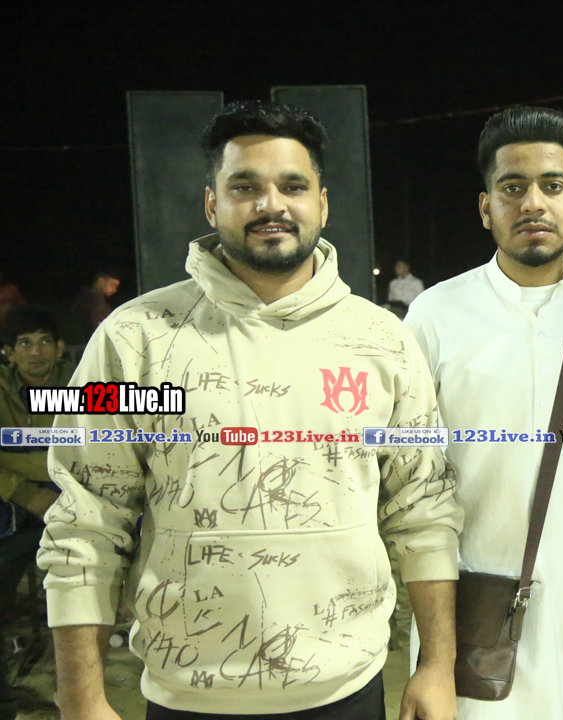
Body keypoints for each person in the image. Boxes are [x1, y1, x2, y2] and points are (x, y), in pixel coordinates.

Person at [38, 101, 463, 720]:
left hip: (346, 693)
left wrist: (437, 665)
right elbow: (85, 519)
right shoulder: (131, 341)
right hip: (186, 698)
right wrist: (80, 698)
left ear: (322, 203)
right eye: (245, 187)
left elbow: (423, 510)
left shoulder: (385, 342)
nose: (271, 204)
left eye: (293, 186)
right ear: (212, 204)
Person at [405, 106, 563, 719]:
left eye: (552, 185)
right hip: (474, 619)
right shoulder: (435, 316)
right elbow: (410, 481)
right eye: (512, 188)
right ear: (486, 206)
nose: (533, 202)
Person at [0, 305, 73, 720]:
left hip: (72, 496)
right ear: (10, 353)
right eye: (24, 343)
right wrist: (25, 492)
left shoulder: (84, 384)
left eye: (45, 341)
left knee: (87, 588)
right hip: (12, 502)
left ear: (59, 347)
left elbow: (101, 446)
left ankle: (80, 694)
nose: (36, 352)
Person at [70, 270, 121, 344]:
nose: (115, 290)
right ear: (101, 281)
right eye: (112, 285)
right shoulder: (94, 298)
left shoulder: (97, 298)